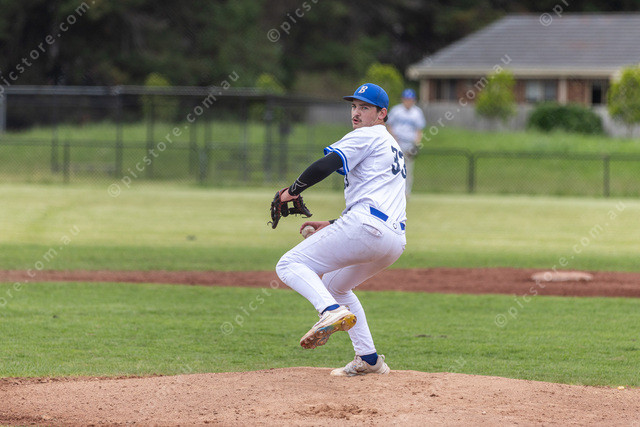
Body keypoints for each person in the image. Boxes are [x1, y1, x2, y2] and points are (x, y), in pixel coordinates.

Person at [275, 83, 407, 377]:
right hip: (394, 239)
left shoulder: (367, 135)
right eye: (354, 106)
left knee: (289, 264)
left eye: (365, 107)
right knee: (336, 286)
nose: (356, 113)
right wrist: (334, 224)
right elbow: (378, 199)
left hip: (368, 228)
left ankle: (330, 311)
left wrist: (292, 191)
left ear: (382, 114)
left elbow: (327, 164)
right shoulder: (391, 145)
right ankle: (369, 359)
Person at [387, 88, 426, 197]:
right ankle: (393, 193)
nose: (408, 101)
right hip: (396, 143)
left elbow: (419, 130)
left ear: (414, 100)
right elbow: (389, 125)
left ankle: (406, 193)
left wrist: (416, 145)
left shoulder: (417, 112)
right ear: (402, 99)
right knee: (393, 169)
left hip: (409, 144)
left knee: (408, 171)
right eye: (406, 99)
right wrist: (394, 140)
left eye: (410, 99)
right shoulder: (396, 110)